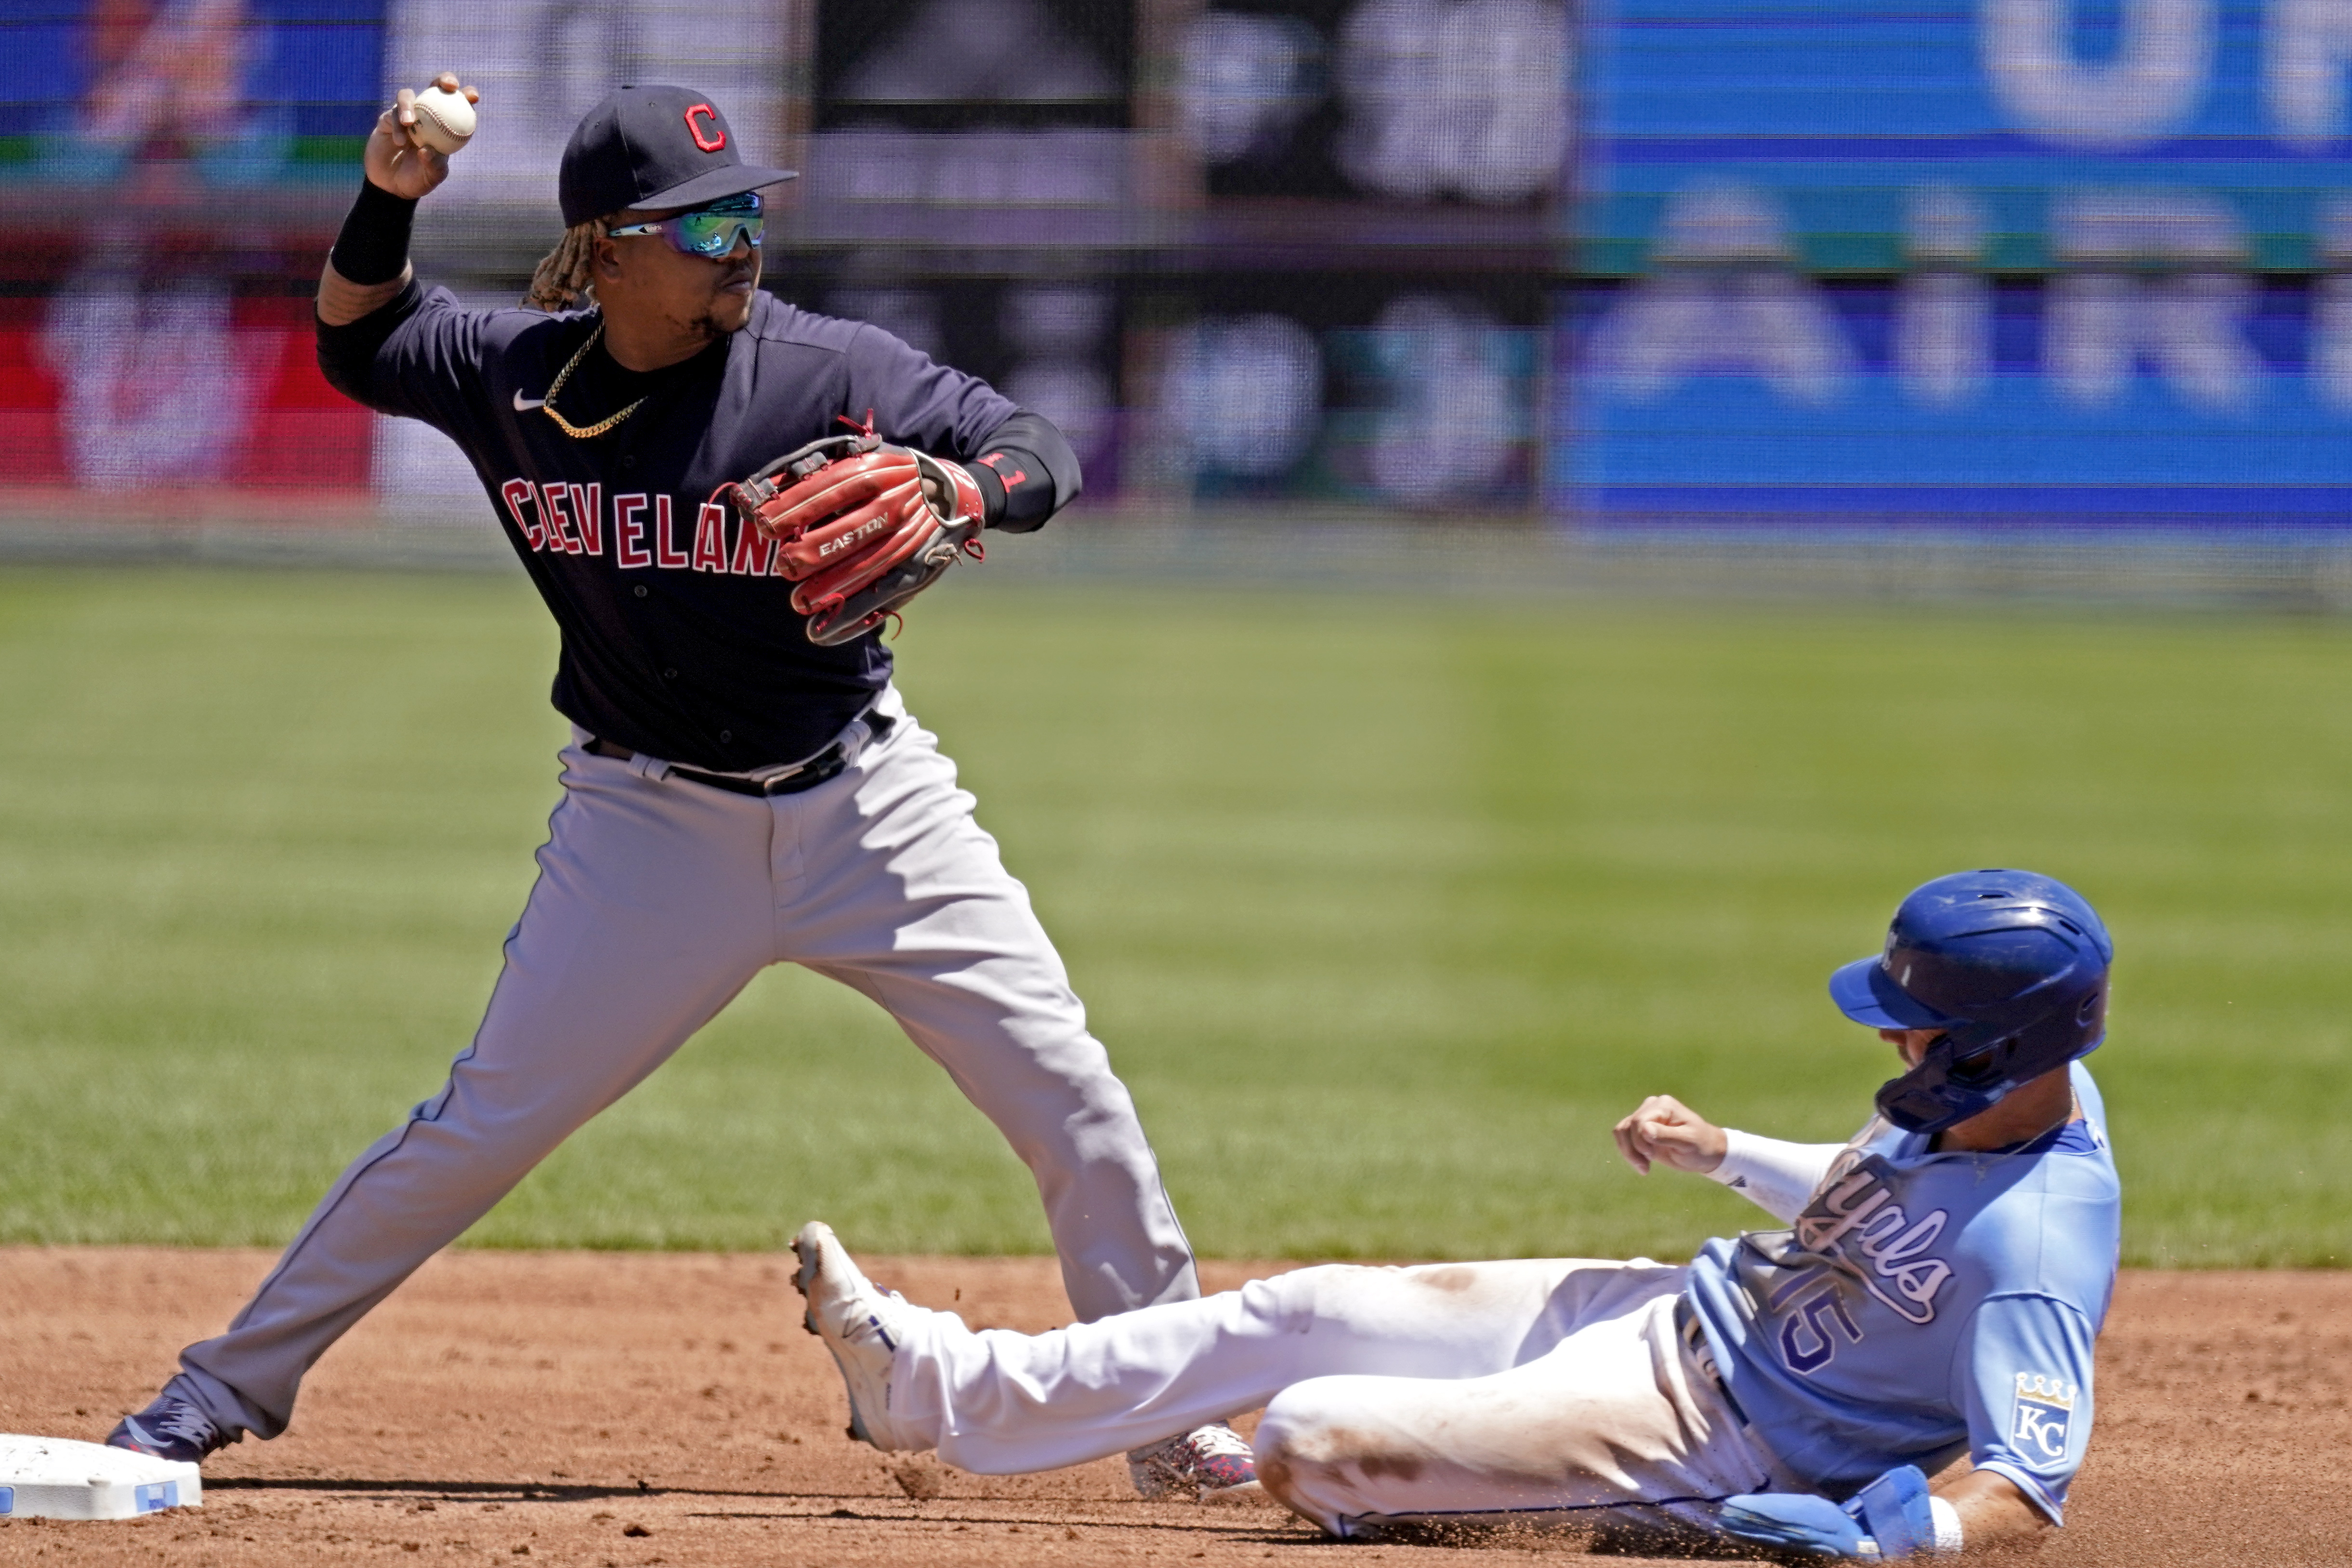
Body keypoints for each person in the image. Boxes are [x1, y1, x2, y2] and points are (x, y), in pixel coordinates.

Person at [102, 75, 1245, 1500]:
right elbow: (358, 334)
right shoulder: (515, 374)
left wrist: (964, 493)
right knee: (478, 1128)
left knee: (1069, 1094)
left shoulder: (827, 371)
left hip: (868, 810)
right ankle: (218, 1388)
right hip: (646, 829)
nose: (742, 243)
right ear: (612, 246)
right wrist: (387, 195)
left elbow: (1038, 449)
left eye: (748, 212)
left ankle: (1165, 1413)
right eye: (706, 224)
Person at [792, 870, 2122, 1555]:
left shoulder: (2034, 1249)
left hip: (1735, 1442)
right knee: (1304, 1307)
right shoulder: (1991, 1103)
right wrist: (1723, 1154)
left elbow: (2025, 1482)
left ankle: (1686, 1530)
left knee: (1307, 1441)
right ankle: (935, 1391)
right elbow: (1862, 1208)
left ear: (1983, 1047)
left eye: (1912, 1021)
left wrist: (1893, 1539)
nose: (1888, 1038)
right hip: (1677, 1315)